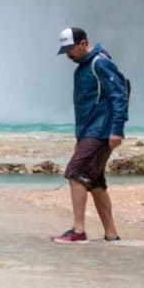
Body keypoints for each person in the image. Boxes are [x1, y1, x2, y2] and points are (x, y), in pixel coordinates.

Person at [52, 26, 128, 243]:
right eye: (65, 50)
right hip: (91, 132)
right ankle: (111, 234)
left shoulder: (99, 63)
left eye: (71, 49)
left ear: (83, 43)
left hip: (101, 130)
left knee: (75, 173)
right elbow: (85, 108)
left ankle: (78, 231)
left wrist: (116, 130)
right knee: (95, 181)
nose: (68, 54)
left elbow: (119, 96)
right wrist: (80, 140)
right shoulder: (83, 67)